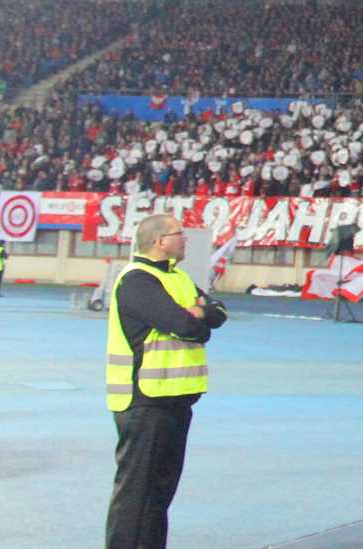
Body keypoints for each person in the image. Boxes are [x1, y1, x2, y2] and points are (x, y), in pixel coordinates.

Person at [105, 212, 228, 549]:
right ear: (160, 242)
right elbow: (185, 325)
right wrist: (198, 318)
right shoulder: (137, 280)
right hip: (145, 401)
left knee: (158, 494)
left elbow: (218, 311)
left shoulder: (179, 278)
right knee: (136, 495)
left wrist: (200, 314)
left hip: (174, 399)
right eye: (179, 233)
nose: (185, 238)